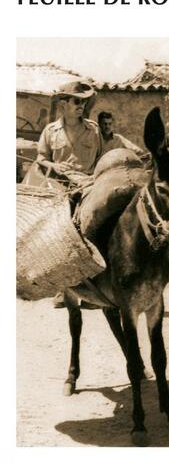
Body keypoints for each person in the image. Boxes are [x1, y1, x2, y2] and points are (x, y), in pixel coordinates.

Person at [36, 80, 103, 308]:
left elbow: (100, 159)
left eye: (83, 102)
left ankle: (92, 291)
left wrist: (92, 179)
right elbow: (41, 158)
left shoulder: (93, 129)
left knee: (91, 234)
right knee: (61, 238)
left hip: (86, 186)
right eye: (76, 102)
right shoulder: (50, 131)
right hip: (59, 188)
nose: (80, 106)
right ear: (63, 104)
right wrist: (54, 167)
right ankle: (62, 291)